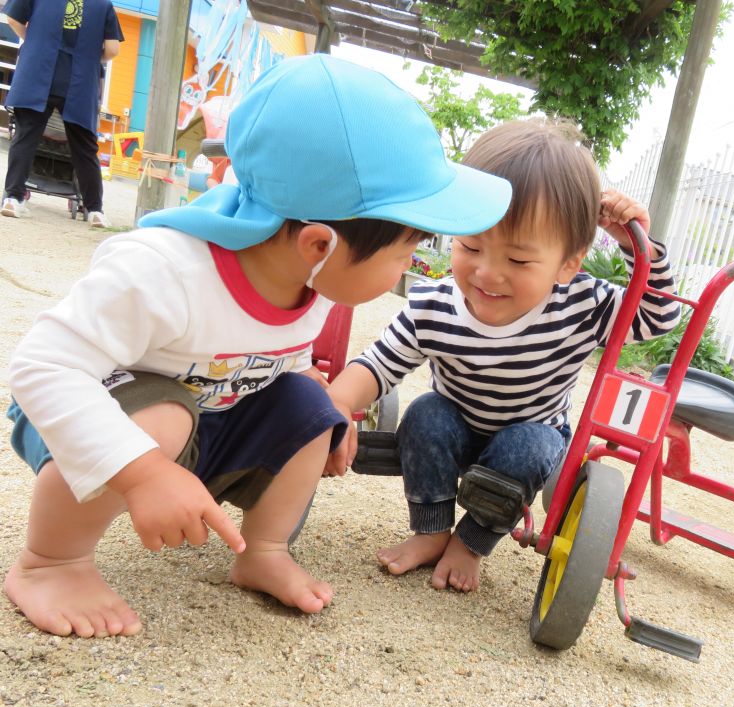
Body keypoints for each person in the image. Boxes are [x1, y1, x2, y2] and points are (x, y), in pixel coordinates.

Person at [3, 54, 512, 638]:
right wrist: (143, 474)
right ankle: (51, 562)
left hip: (207, 427)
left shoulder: (309, 280)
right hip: (94, 424)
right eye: (406, 252)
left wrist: (319, 400)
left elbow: (271, 351)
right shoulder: (164, 273)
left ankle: (263, 550)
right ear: (319, 243)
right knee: (167, 417)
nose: (415, 266)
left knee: (313, 404)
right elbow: (43, 367)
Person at [327, 119, 681, 593]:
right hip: (456, 426)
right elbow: (377, 365)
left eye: (518, 260)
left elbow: (658, 317)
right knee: (425, 413)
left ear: (568, 263)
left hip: (531, 436)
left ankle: (470, 541)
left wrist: (639, 247)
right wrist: (332, 404)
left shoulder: (579, 304)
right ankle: (431, 530)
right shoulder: (435, 305)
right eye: (470, 246)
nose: (488, 274)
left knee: (528, 447)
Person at [1, 0, 124, 227]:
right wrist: (94, 59)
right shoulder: (103, 5)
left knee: (26, 136)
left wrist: (34, 40)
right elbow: (113, 48)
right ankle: (95, 210)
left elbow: (12, 18)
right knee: (84, 147)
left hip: (38, 69)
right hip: (79, 78)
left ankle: (13, 198)